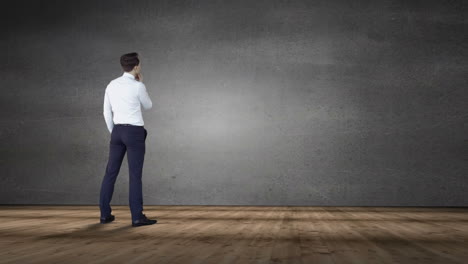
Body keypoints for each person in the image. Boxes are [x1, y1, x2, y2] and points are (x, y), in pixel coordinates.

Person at [99, 52, 157, 227]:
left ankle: (104, 215)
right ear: (136, 67)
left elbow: (106, 112)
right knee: (134, 175)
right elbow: (148, 105)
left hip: (117, 131)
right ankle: (137, 217)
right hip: (134, 133)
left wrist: (114, 131)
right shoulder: (138, 86)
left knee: (110, 173)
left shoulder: (111, 84)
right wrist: (141, 84)